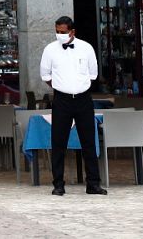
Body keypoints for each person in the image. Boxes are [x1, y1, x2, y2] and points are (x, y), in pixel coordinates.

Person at [40, 15, 104, 196]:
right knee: (58, 142)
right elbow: (45, 74)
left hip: (83, 99)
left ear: (72, 31)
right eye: (57, 32)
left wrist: (79, 86)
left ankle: (93, 184)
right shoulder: (50, 50)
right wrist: (61, 87)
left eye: (63, 32)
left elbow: (93, 74)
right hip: (62, 100)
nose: (59, 35)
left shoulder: (86, 48)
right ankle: (58, 184)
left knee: (88, 142)